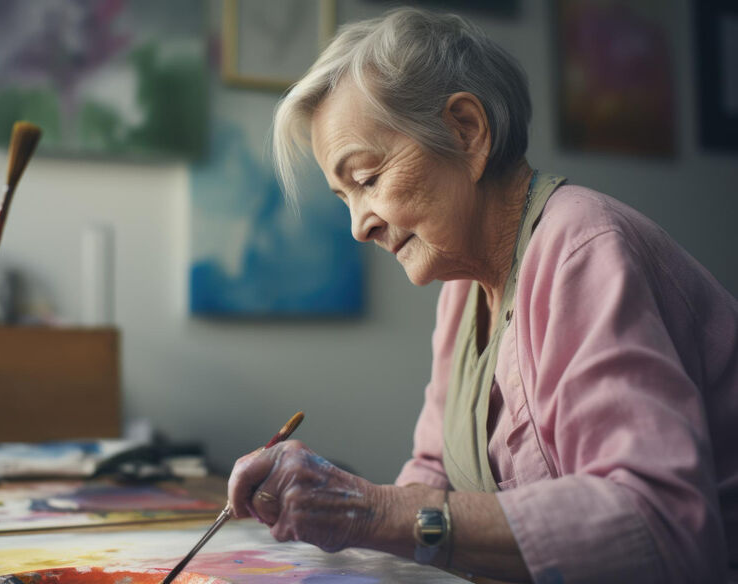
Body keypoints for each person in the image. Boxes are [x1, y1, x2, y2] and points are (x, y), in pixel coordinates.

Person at [227, 8, 738, 583]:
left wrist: (369, 510)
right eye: (344, 196)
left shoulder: (581, 247)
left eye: (367, 179)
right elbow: (432, 473)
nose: (358, 227)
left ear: (466, 131)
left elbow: (659, 521)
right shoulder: (464, 285)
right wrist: (343, 509)